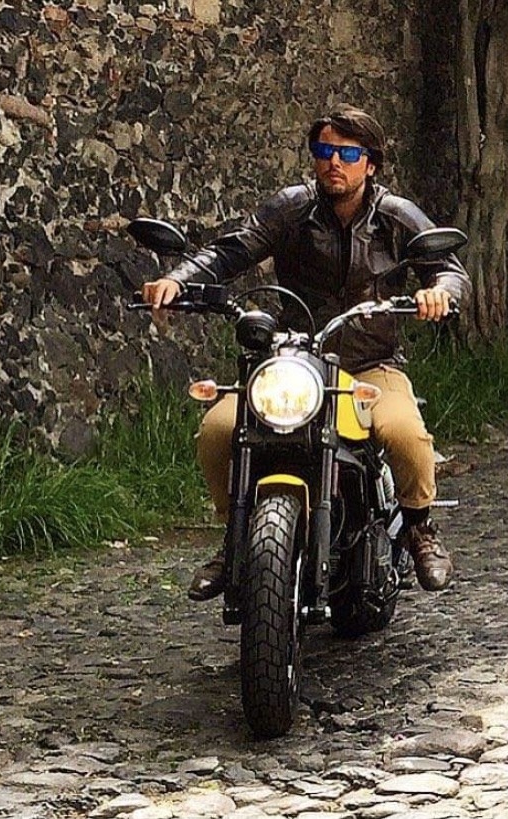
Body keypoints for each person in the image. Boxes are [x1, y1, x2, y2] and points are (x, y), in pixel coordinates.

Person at [142, 104, 470, 600]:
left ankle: (421, 528)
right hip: (294, 361)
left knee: (405, 434)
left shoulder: (397, 217)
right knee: (217, 429)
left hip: (369, 364)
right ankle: (234, 538)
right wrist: (177, 280)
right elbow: (231, 250)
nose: (333, 162)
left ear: (371, 163)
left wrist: (439, 292)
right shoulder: (290, 208)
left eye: (348, 152)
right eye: (324, 151)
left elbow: (447, 268)